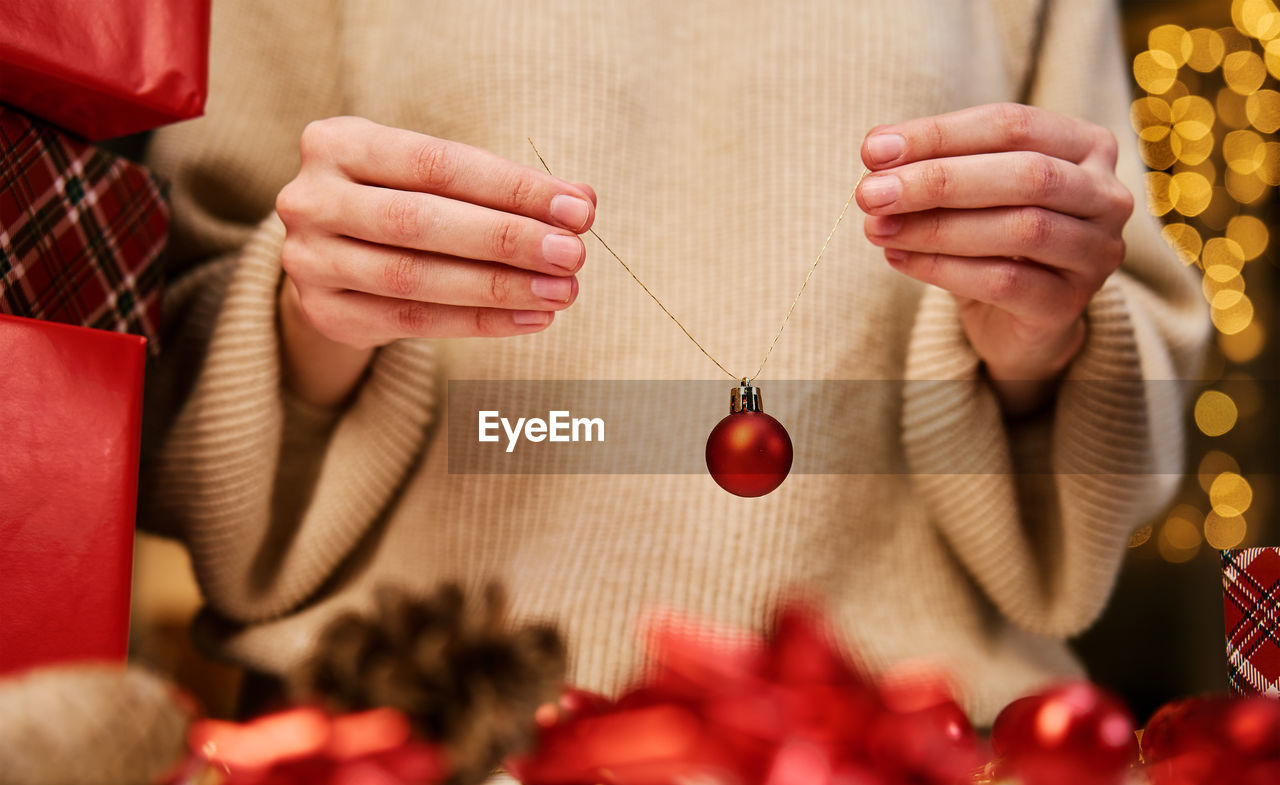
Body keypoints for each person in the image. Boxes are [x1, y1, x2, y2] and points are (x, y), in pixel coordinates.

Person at [141, 0, 1207, 724]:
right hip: (398, 763)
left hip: (897, 771)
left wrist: (1035, 335)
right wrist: (317, 309)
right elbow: (158, 337)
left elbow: (1123, 328)